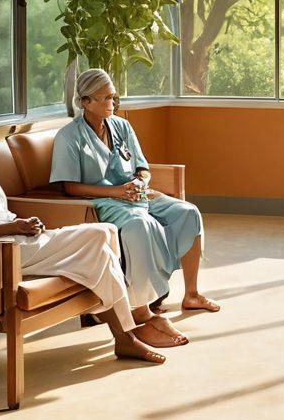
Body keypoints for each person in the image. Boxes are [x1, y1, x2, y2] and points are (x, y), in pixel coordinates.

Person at [0, 93, 182, 363]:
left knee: (104, 241)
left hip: (16, 238)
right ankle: (129, 326)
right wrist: (13, 226)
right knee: (102, 234)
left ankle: (124, 336)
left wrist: (24, 224)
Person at [50, 69, 219, 330]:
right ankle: (141, 309)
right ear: (86, 102)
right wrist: (116, 192)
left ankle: (192, 294)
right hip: (103, 202)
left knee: (188, 213)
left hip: (137, 195)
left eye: (113, 97)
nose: (112, 103)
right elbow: (70, 187)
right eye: (105, 98)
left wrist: (141, 181)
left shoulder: (122, 125)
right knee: (141, 224)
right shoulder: (69, 137)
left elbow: (142, 166)